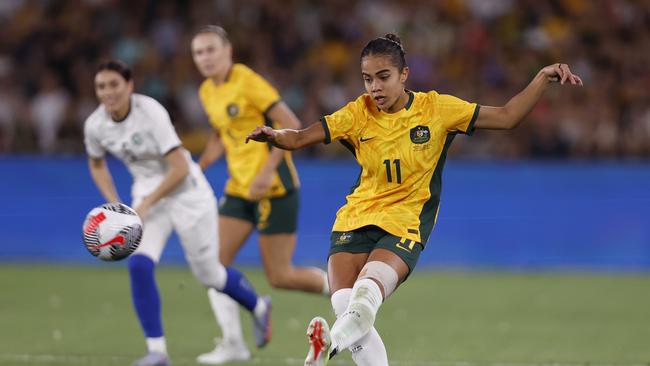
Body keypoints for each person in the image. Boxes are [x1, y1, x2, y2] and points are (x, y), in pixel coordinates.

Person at [246, 34, 583, 366]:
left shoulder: (436, 109)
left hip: (404, 224)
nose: (374, 87)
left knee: (364, 299)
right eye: (367, 79)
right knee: (350, 312)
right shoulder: (357, 113)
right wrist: (277, 137)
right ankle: (325, 349)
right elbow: (302, 136)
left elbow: (508, 116)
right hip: (354, 220)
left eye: (383, 77)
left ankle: (324, 350)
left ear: (404, 75)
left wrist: (542, 77)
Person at [83, 60, 272, 366]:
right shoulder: (95, 124)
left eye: (114, 85)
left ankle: (259, 306)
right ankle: (157, 351)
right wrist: (115, 205)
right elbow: (96, 163)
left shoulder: (151, 113)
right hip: (147, 196)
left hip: (188, 193)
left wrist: (143, 206)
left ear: (129, 86)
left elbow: (181, 167)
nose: (108, 92)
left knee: (209, 274)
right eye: (101, 86)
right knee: (139, 265)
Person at [190, 25, 329, 364]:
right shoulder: (208, 91)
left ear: (228, 51)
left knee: (280, 276)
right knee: (213, 266)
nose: (205, 58)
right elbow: (223, 133)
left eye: (211, 50)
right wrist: (199, 167)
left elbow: (291, 122)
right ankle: (233, 343)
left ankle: (344, 293)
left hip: (274, 188)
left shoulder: (247, 80)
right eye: (198, 52)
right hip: (239, 189)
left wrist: (267, 171)